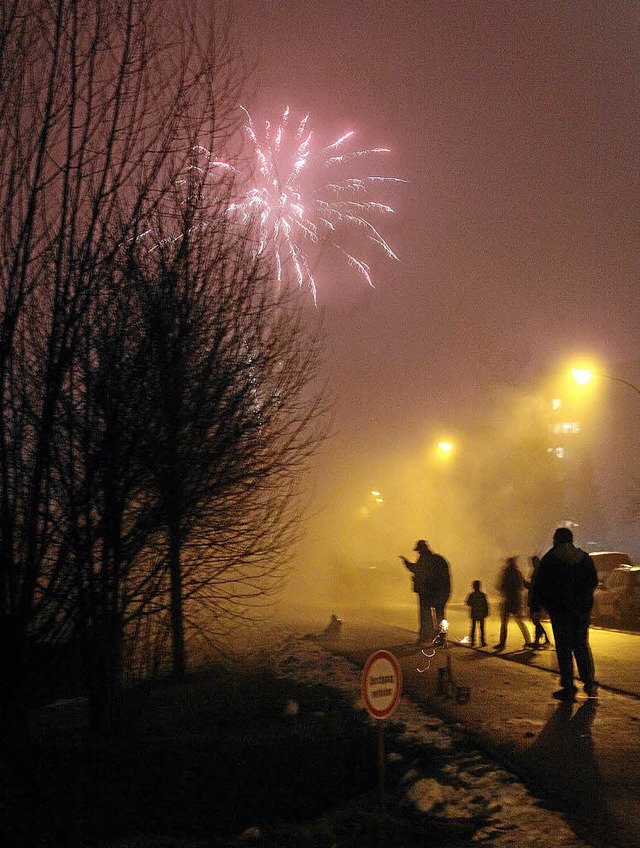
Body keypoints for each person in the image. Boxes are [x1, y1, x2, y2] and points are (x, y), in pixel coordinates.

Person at [529, 527, 599, 701]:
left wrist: (536, 607)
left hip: (560, 612)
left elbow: (539, 585)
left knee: (564, 648)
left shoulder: (550, 559)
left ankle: (568, 686)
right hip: (581, 611)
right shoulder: (584, 558)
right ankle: (589, 683)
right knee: (581, 645)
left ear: (556, 540)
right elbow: (593, 581)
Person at [400, 539, 451, 643]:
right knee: (440, 615)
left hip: (427, 592)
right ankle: (442, 637)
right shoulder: (439, 559)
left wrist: (407, 563)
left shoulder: (424, 559)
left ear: (421, 550)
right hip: (441, 592)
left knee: (425, 615)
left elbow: (418, 570)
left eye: (419, 551)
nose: (418, 553)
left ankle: (426, 635)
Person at [494, 556, 532, 651]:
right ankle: (528, 641)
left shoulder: (506, 572)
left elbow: (500, 586)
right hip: (515, 600)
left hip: (508, 600)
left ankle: (502, 643)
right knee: (519, 621)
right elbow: (521, 586)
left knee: (504, 623)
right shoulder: (517, 572)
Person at [524, 555, 550, 649]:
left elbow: (536, 587)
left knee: (535, 620)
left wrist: (528, 585)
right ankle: (545, 639)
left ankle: (537, 641)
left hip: (536, 600)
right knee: (536, 620)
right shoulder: (539, 572)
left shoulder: (538, 572)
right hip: (536, 600)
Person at [465, 579, 489, 647]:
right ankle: (482, 641)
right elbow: (486, 604)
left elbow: (468, 603)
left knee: (473, 627)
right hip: (481, 613)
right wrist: (486, 612)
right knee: (482, 628)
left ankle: (472, 641)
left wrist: (473, 604)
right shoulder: (482, 595)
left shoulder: (472, 595)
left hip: (474, 613)